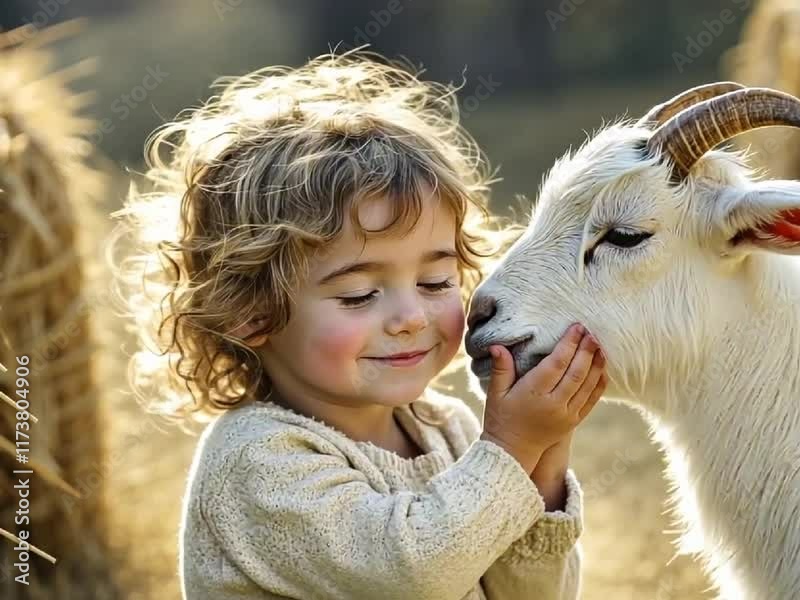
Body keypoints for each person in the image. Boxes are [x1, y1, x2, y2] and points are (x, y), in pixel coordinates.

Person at [111, 50, 607, 600]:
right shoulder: (257, 463)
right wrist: (512, 448)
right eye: (360, 293)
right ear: (250, 312)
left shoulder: (452, 430)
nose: (410, 318)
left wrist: (544, 462)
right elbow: (411, 574)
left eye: (437, 282)